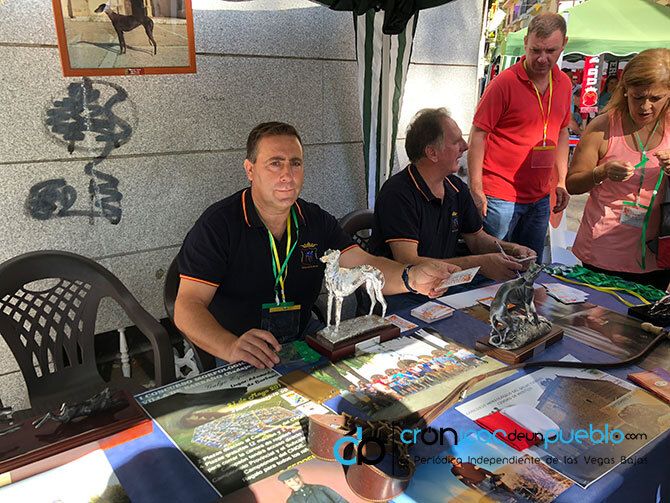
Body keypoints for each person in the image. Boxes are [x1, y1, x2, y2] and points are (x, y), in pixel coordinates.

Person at [174, 122, 459, 369]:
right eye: (275, 163)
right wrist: (230, 346)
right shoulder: (219, 224)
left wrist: (411, 277)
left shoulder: (314, 220)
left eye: (295, 163)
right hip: (242, 344)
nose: (287, 174)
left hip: (302, 334)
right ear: (250, 170)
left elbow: (364, 264)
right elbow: (187, 306)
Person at [370, 108, 536, 282]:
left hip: (446, 285)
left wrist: (512, 249)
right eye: (457, 142)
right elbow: (408, 262)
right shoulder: (397, 194)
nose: (465, 146)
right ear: (432, 153)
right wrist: (480, 264)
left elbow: (476, 239)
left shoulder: (456, 187)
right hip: (404, 291)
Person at [468, 13, 572, 259]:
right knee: (494, 264)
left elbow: (562, 131)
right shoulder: (504, 83)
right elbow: (478, 134)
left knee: (530, 264)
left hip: (540, 195)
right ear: (526, 43)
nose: (542, 58)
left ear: (564, 44)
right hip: (500, 195)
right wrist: (476, 188)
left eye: (551, 51)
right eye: (536, 50)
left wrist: (561, 181)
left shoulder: (564, 84)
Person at [566, 48, 670, 289]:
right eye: (637, 97)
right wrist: (601, 173)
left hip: (656, 255)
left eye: (656, 98)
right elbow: (573, 184)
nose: (645, 107)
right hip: (603, 253)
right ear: (625, 91)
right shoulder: (603, 126)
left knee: (644, 313)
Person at [278, 468, 348, 503]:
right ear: (286, 485)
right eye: (289, 481)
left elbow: (341, 501)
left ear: (300, 477)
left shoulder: (320, 488)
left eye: (295, 477)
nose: (294, 482)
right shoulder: (291, 501)